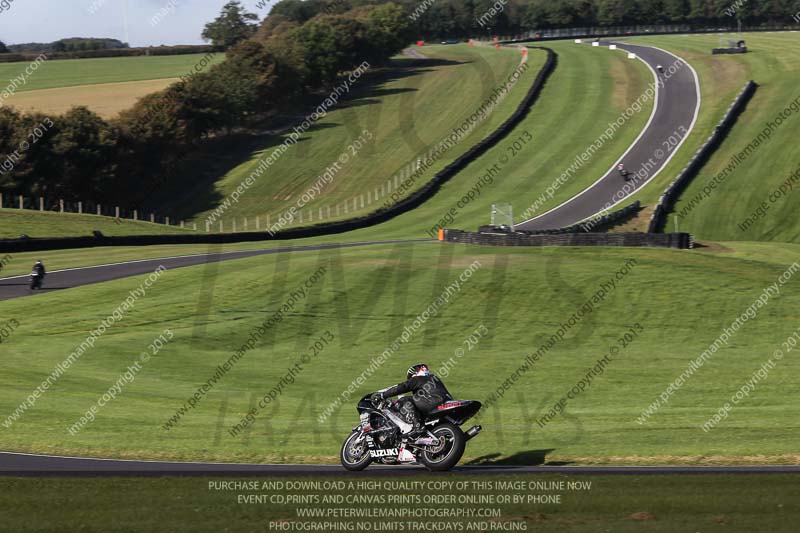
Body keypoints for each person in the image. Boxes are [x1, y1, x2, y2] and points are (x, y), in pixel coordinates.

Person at [370, 363, 452, 441]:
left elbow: (401, 387)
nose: (410, 379)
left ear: (415, 372)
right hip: (445, 402)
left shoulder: (418, 379)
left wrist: (383, 395)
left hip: (432, 401)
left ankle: (417, 426)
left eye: (410, 377)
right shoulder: (435, 379)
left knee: (404, 400)